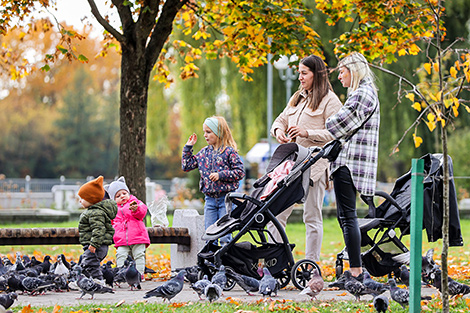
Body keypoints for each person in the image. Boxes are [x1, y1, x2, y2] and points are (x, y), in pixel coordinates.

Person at [267, 54, 343, 262]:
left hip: (315, 166)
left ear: (316, 74)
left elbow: (337, 134)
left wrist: (307, 133)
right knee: (277, 214)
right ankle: (278, 262)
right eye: (299, 73)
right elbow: (280, 120)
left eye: (304, 73)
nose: (300, 77)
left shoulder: (330, 101)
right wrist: (278, 131)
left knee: (311, 217)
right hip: (292, 165)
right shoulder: (298, 97)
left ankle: (311, 265)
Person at [325, 52, 380, 281]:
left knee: (347, 217)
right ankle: (358, 266)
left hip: (350, 163)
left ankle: (356, 270)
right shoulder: (367, 93)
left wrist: (330, 119)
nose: (339, 76)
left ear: (353, 71)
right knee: (346, 217)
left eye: (342, 71)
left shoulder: (361, 95)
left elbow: (335, 125)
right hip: (353, 163)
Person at [182, 116, 245, 245]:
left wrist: (220, 175)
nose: (205, 135)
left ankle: (226, 262)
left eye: (209, 132)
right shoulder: (204, 153)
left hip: (226, 200)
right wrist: (188, 147)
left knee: (225, 235)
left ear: (219, 132)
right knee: (210, 234)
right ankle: (210, 262)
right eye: (204, 132)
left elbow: (240, 172)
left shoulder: (229, 152)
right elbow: (187, 166)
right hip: (210, 200)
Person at [105, 176, 150, 279]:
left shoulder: (134, 203)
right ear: (113, 199)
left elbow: (142, 212)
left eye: (124, 193)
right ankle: (120, 274)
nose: (122, 196)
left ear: (128, 193)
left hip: (137, 236)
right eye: (118, 196)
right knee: (120, 255)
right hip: (121, 239)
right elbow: (110, 222)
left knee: (139, 255)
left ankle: (139, 275)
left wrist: (136, 209)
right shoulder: (113, 209)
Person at [77, 176, 117, 283]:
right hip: (96, 245)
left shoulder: (96, 213)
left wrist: (94, 244)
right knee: (86, 263)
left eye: (83, 198)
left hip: (96, 245)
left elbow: (99, 230)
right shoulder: (94, 211)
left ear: (92, 199)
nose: (80, 201)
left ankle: (97, 281)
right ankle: (84, 281)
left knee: (91, 264)